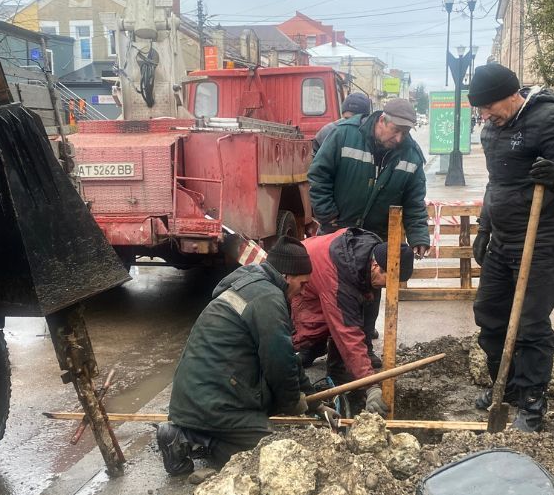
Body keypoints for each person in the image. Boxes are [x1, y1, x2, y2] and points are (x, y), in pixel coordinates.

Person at [467, 63, 554, 432]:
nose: (485, 115)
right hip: (503, 239)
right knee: (489, 314)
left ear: (512, 95)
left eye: (489, 106)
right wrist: (484, 229)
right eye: (481, 109)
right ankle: (503, 385)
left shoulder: (548, 118)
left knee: (530, 323)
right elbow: (497, 185)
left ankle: (531, 400)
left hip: (542, 241)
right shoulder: (493, 129)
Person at [156, 238, 328, 475]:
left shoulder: (254, 283)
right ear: (287, 276)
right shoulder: (267, 298)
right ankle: (186, 437)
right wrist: (292, 403)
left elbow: (286, 354)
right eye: (303, 284)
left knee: (266, 419)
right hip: (213, 400)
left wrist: (313, 400)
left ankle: (193, 432)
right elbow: (279, 363)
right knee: (267, 449)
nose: (303, 291)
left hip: (198, 394)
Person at [307, 97, 430, 368]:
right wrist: (328, 215)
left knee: (369, 292)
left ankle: (361, 345)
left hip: (375, 235)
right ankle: (314, 343)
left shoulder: (411, 155)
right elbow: (318, 176)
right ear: (382, 120)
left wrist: (419, 233)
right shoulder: (344, 135)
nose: (399, 138)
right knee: (329, 291)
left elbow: (414, 199)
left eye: (405, 132)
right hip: (337, 231)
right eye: (396, 130)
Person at [291, 228, 414, 416]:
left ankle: (338, 374)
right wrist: (371, 386)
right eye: (387, 281)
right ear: (375, 266)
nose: (387, 288)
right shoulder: (340, 276)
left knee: (344, 320)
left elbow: (356, 321)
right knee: (304, 334)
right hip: (299, 276)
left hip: (316, 268)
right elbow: (347, 333)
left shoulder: (368, 254)